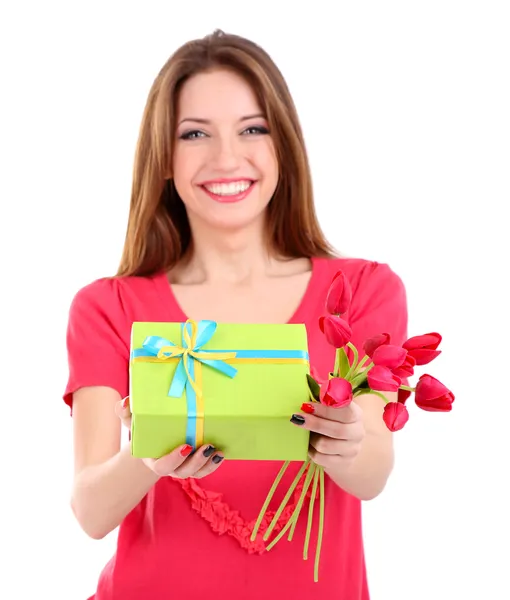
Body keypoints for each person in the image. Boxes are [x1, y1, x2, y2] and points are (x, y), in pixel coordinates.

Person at [63, 29, 408, 600]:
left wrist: (345, 442)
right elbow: (91, 510)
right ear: (164, 160)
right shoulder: (108, 307)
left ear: (284, 149)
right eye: (194, 134)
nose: (226, 157)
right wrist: (146, 458)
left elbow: (372, 473)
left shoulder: (363, 290)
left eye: (252, 129)